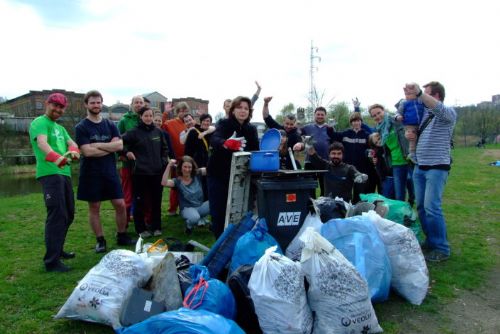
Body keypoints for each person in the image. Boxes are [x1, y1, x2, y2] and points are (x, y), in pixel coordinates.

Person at [75, 90, 136, 253]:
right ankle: (100, 240)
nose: (96, 105)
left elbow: (119, 146)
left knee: (120, 204)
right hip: (91, 172)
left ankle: (122, 235)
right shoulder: (81, 127)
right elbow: (87, 152)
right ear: (86, 105)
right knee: (94, 207)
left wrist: (96, 145)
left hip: (109, 171)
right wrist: (108, 147)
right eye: (92, 102)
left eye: (98, 102)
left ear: (102, 104)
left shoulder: (110, 125)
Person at [404, 81, 456, 262]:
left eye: (425, 94)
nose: (421, 98)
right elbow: (411, 130)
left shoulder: (447, 113)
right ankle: (431, 241)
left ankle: (442, 248)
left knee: (432, 208)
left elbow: (440, 109)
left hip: (437, 167)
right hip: (420, 166)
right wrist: (410, 135)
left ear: (436, 96)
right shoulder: (423, 114)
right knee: (421, 208)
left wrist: (418, 93)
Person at [29, 93, 79, 272]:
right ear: (47, 104)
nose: (58, 110)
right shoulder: (39, 122)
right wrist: (57, 158)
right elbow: (42, 144)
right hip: (50, 173)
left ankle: (58, 250)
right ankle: (51, 261)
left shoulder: (60, 127)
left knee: (69, 214)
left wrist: (73, 151)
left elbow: (72, 142)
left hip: (64, 174)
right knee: (57, 215)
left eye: (61, 107)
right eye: (54, 105)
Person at [207, 96, 259, 239]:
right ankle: (219, 243)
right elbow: (215, 139)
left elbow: (256, 149)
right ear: (233, 110)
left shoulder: (251, 129)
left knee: (240, 210)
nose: (243, 111)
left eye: (246, 108)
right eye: (239, 107)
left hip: (241, 175)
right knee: (219, 210)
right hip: (218, 174)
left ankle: (236, 241)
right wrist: (226, 143)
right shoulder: (224, 123)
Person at [122, 107, 168, 238]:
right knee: (140, 201)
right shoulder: (133, 132)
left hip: (157, 172)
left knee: (156, 201)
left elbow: (165, 149)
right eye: (146, 116)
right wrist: (126, 152)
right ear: (140, 117)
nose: (148, 118)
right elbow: (119, 143)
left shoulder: (158, 132)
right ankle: (140, 228)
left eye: (150, 116)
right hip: (140, 173)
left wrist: (163, 161)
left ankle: (156, 226)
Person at [368, 103, 414, 203]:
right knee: (399, 195)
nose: (377, 116)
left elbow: (403, 106)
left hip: (409, 160)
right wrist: (374, 156)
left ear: (384, 111)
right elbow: (376, 146)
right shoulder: (379, 130)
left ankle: (411, 213)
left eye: (379, 113)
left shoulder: (396, 121)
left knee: (414, 193)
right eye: (374, 115)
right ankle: (401, 216)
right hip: (395, 164)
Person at [330, 112, 376, 203]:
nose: (356, 123)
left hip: (362, 168)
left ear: (361, 122)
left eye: (358, 121)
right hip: (347, 168)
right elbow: (333, 136)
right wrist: (331, 127)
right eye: (354, 121)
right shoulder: (345, 133)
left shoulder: (367, 135)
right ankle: (344, 208)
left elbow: (373, 148)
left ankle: (357, 210)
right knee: (345, 191)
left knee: (359, 192)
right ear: (351, 123)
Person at [162, 156, 210, 234]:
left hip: (201, 206)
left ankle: (212, 224)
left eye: (189, 167)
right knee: (195, 218)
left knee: (216, 203)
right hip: (187, 209)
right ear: (180, 167)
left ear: (192, 168)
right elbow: (164, 183)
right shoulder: (177, 181)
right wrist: (169, 166)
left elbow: (211, 169)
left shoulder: (197, 174)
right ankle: (189, 227)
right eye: (185, 167)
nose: (187, 169)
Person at [293, 106, 334, 196]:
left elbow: (334, 143)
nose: (320, 116)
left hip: (325, 162)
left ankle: (324, 208)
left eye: (322, 115)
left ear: (325, 116)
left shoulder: (330, 128)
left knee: (325, 189)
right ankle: (310, 208)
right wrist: (299, 121)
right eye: (318, 114)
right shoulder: (307, 127)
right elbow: (297, 132)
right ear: (314, 115)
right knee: (310, 189)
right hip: (310, 161)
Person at [117, 95, 145, 221]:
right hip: (128, 161)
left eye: (141, 102)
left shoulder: (145, 118)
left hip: (143, 161)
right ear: (132, 104)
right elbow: (117, 139)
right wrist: (122, 153)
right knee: (128, 192)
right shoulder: (124, 120)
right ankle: (125, 220)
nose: (138, 104)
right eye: (136, 102)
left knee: (141, 192)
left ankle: (139, 216)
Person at [162, 102, 189, 215]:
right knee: (175, 185)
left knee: (188, 185)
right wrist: (165, 113)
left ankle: (186, 208)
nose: (184, 113)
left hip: (189, 160)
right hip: (176, 159)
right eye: (181, 111)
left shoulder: (189, 124)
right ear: (177, 112)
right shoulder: (170, 123)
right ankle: (172, 209)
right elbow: (160, 126)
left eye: (185, 111)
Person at [184, 113, 214, 199]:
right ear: (200, 122)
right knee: (197, 183)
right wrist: (188, 163)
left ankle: (206, 203)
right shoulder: (193, 132)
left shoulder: (211, 132)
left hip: (209, 162)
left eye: (208, 121)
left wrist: (205, 132)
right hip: (197, 162)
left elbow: (215, 128)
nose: (206, 123)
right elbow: (188, 150)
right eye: (204, 120)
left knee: (207, 183)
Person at [396, 98, 425, 164]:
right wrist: (398, 117)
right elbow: (397, 113)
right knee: (412, 138)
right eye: (407, 93)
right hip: (409, 124)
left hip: (421, 123)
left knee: (421, 137)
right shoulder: (404, 103)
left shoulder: (420, 100)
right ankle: (412, 153)